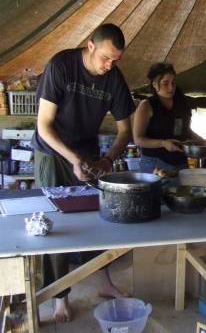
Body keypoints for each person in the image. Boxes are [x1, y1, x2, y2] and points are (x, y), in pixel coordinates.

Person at [32, 23, 136, 322]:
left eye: (115, 60)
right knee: (55, 222)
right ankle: (59, 296)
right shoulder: (61, 66)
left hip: (87, 152)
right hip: (53, 152)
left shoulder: (114, 78)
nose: (109, 65)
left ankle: (103, 282)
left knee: (97, 218)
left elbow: (125, 129)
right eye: (105, 57)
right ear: (90, 45)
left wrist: (108, 159)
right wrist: (72, 158)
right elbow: (44, 125)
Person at [133, 62, 206, 173]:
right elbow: (138, 139)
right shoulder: (147, 105)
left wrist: (203, 144)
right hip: (154, 164)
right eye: (165, 83)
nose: (171, 87)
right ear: (154, 84)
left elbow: (185, 130)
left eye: (173, 82)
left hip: (180, 163)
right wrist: (163, 143)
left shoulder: (181, 103)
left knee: (180, 191)